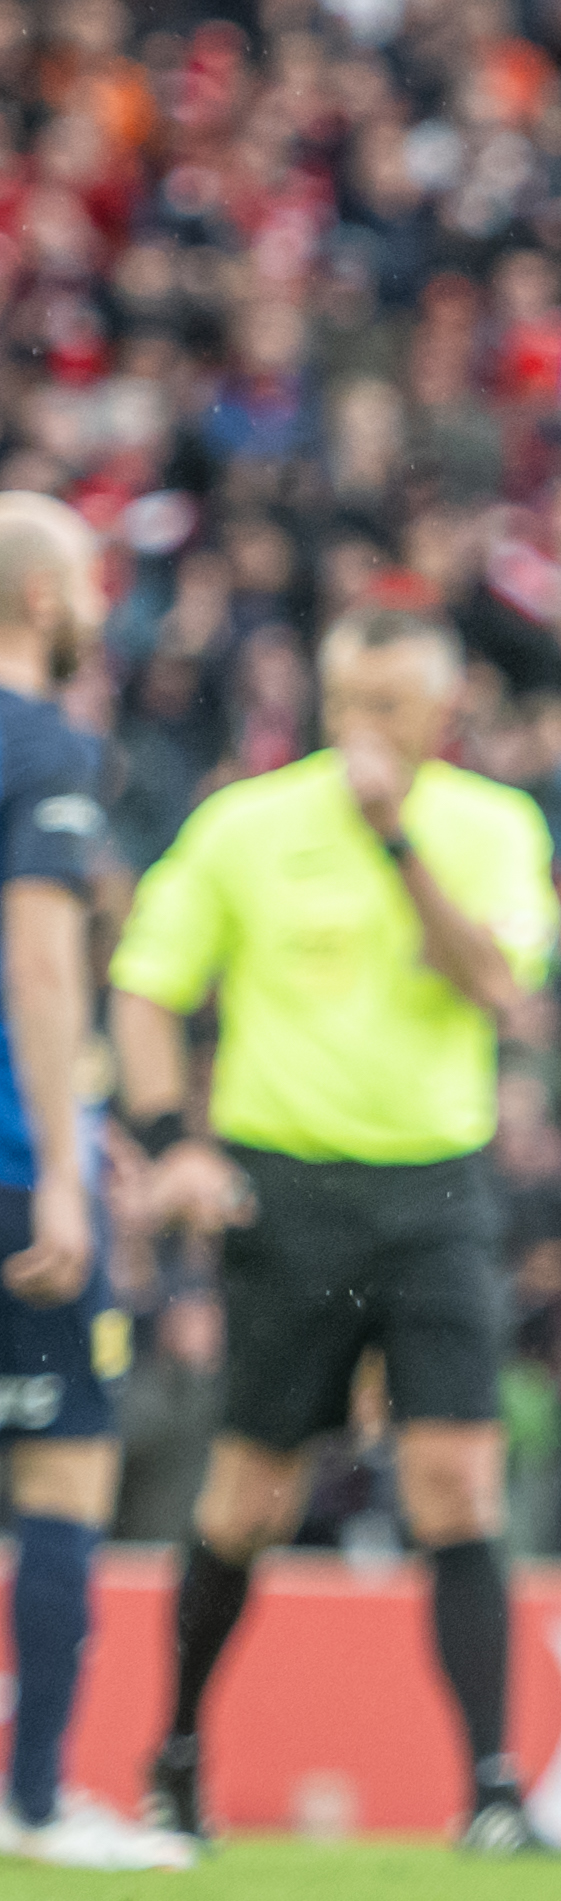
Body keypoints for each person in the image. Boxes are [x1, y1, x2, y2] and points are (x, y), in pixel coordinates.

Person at [110, 603, 560, 1855]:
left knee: (458, 1477)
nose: (372, 731)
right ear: (324, 705)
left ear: (441, 714)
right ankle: (178, 1756)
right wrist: (168, 1145)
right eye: (353, 706)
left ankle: (493, 1790)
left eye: (396, 709)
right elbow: (147, 988)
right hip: (288, 1189)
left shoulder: (487, 826)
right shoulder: (245, 825)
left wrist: (395, 839)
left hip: (438, 1189)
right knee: (251, 1491)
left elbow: (500, 988)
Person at [0, 499, 189, 1870]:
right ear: (47, 597)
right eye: (89, 580)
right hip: (10, 1164)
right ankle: (35, 1799)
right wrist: (68, 1159)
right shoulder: (45, 747)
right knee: (62, 1460)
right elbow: (43, 965)